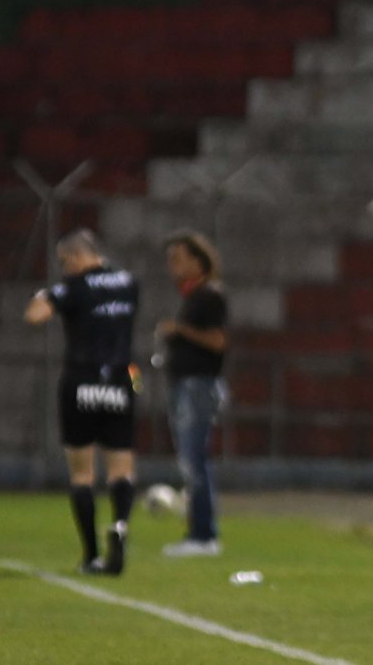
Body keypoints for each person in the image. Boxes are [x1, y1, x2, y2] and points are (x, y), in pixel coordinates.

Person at [23, 228, 139, 575]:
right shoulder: (129, 282)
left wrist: (46, 295)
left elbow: (35, 316)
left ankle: (90, 554)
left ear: (76, 257)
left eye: (64, 261)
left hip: (81, 381)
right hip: (121, 379)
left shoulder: (73, 288)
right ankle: (119, 526)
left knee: (82, 473)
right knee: (121, 467)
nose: (63, 268)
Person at [157, 229, 229, 557]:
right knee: (189, 461)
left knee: (194, 461)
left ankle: (203, 535)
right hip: (185, 384)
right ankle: (197, 532)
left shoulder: (210, 295)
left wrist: (180, 330)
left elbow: (217, 341)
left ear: (198, 262)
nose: (172, 265)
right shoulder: (191, 296)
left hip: (198, 386)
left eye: (179, 258)